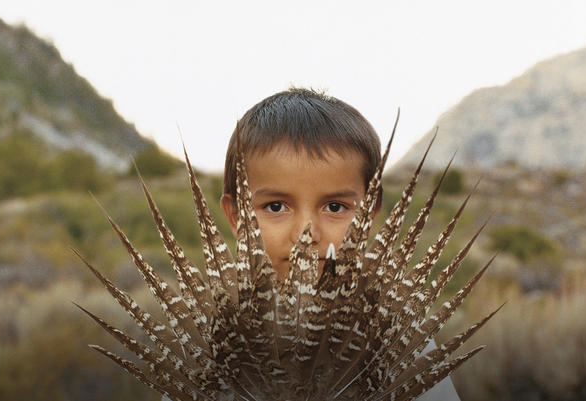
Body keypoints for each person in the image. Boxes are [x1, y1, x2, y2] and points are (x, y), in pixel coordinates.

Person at [162, 87, 460, 400]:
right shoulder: (215, 338)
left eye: (335, 207)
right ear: (237, 217)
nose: (306, 234)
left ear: (369, 217)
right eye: (276, 206)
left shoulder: (394, 336)